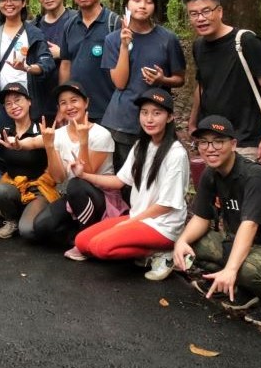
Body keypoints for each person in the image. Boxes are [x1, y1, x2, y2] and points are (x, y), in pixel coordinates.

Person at [173, 115, 261, 327]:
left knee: (247, 269)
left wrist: (231, 269)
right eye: (204, 142)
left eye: (218, 141)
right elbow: (201, 217)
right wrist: (181, 241)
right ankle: (244, 291)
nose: (210, 148)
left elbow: (250, 224)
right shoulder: (211, 173)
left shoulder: (253, 177)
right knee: (194, 244)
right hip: (246, 243)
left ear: (233, 144)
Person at [69, 88, 190, 280]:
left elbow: (166, 205)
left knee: (99, 247)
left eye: (156, 113)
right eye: (144, 112)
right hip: (139, 218)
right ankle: (147, 250)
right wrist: (84, 175)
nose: (149, 119)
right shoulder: (141, 146)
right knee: (82, 242)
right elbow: (118, 181)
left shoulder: (176, 154)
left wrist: (129, 223)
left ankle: (162, 253)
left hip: (163, 226)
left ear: (169, 117)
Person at [184, 0, 261, 163]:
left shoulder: (246, 41)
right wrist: (193, 122)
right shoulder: (198, 46)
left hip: (246, 140)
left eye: (206, 11)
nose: (201, 18)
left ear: (219, 11)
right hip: (212, 139)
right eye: (194, 14)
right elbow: (203, 86)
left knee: (245, 190)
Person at [18, 82, 117, 248]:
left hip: (100, 196)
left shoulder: (101, 134)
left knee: (76, 184)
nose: (69, 106)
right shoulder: (58, 134)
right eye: (63, 103)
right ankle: (79, 234)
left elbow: (86, 174)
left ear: (86, 103)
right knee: (41, 229)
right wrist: (49, 146)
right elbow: (58, 177)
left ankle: (85, 242)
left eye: (74, 100)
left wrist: (84, 140)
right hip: (72, 195)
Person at [101, 0, 186, 168]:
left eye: (148, 1)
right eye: (136, 0)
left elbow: (180, 78)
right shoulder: (112, 39)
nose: (142, 5)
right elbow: (120, 83)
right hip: (123, 120)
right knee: (125, 179)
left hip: (157, 118)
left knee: (155, 173)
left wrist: (162, 79)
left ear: (155, 6)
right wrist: (124, 45)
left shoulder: (167, 39)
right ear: (127, 5)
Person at [0, 83, 51, 239]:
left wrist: (21, 144)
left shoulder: (41, 128)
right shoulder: (6, 131)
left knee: (28, 230)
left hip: (38, 189)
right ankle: (11, 219)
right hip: (14, 186)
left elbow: (38, 142)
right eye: (8, 103)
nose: (13, 106)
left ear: (29, 101)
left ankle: (30, 213)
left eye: (18, 100)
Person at [58, 0, 121, 122]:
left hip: (109, 109)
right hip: (77, 110)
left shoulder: (114, 23)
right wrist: (63, 104)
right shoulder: (70, 25)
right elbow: (65, 64)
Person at [31, 0, 71, 125]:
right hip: (40, 100)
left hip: (70, 99)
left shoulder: (75, 21)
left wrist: (62, 53)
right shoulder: (34, 26)